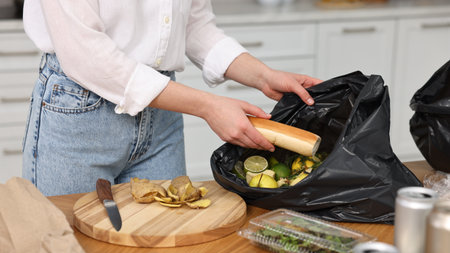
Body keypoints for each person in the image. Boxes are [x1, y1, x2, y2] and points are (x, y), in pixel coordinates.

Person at [22, 0, 322, 196]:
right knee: (68, 252)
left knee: (164, 245)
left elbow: (194, 25)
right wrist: (208, 106)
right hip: (81, 113)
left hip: (161, 117)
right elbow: (87, 56)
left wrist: (262, 75)